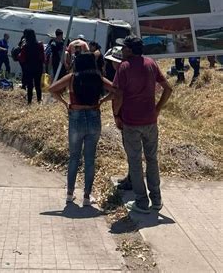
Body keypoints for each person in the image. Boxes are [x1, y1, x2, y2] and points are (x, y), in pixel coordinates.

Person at [113, 36, 173, 214]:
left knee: (135, 162)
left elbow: (118, 96)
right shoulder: (151, 63)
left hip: (131, 121)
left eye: (124, 48)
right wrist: (157, 109)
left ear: (130, 50)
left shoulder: (124, 67)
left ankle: (141, 202)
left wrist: (117, 115)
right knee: (152, 159)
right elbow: (168, 89)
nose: (122, 50)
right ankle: (156, 199)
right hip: (150, 121)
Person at [49, 52, 116, 206]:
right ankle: (86, 196)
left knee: (74, 157)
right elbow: (117, 91)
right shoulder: (98, 78)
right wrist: (102, 100)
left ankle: (69, 194)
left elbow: (52, 89)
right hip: (94, 116)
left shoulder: (72, 78)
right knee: (90, 159)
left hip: (76, 116)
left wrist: (65, 103)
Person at [104, 46, 132, 190]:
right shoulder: (127, 71)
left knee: (130, 148)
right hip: (132, 114)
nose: (111, 64)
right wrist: (103, 100)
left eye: (112, 61)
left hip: (125, 115)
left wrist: (116, 114)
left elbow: (118, 95)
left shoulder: (120, 72)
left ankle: (132, 180)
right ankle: (130, 177)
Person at [18, 29, 45, 104]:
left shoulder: (25, 46)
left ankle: (29, 102)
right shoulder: (40, 45)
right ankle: (39, 100)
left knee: (30, 85)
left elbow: (22, 58)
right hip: (38, 67)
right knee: (37, 84)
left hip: (28, 67)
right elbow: (43, 58)